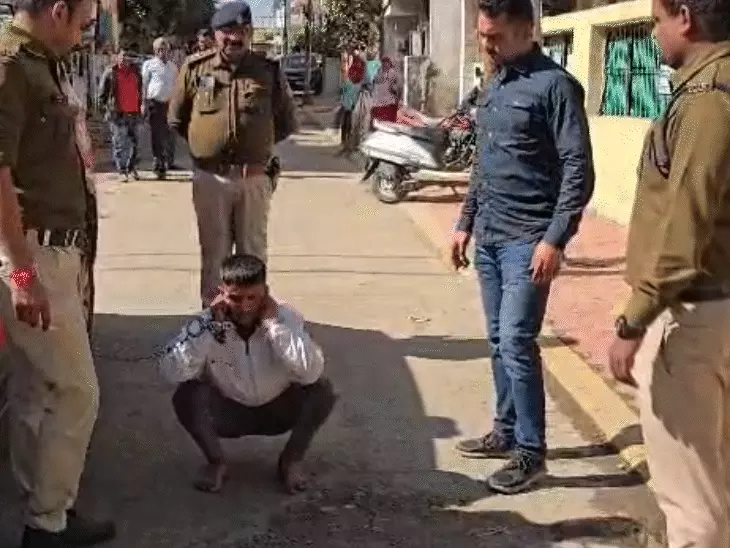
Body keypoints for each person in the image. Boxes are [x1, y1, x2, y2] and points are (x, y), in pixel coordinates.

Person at [451, 0, 594, 494]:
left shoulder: (555, 86)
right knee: (497, 340)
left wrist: (555, 239)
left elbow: (578, 169)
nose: (485, 45)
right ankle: (506, 430)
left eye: (495, 37)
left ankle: (531, 453)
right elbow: (484, 162)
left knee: (516, 341)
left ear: (525, 30)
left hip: (528, 240)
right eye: (482, 35)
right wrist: (464, 222)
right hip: (490, 236)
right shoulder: (495, 83)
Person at [607, 0, 730, 545]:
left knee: (692, 501)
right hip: (713, 308)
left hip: (693, 314)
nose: (654, 33)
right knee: (714, 478)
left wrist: (632, 322)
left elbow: (683, 233)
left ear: (685, 16)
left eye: (657, 20)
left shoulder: (706, 103)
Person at [0, 0, 117, 545]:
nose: (85, 35)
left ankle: (41, 505)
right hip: (33, 256)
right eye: (84, 23)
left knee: (35, 387)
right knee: (78, 392)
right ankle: (46, 523)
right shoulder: (11, 68)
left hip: (51, 253)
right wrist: (24, 277)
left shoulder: (40, 64)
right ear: (57, 10)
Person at [159, 254, 337, 494]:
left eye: (252, 297)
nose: (244, 307)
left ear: (265, 292)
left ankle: (291, 460)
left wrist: (273, 327)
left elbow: (311, 372)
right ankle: (216, 462)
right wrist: (211, 329)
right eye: (235, 298)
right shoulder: (205, 323)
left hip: (279, 410)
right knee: (186, 396)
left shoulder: (286, 317)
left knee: (321, 391)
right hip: (228, 411)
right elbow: (172, 372)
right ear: (222, 293)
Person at [168, 0, 298, 309]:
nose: (234, 38)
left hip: (253, 179)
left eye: (241, 31)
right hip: (210, 180)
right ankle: (215, 317)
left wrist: (256, 150)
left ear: (250, 33)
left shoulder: (267, 70)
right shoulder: (195, 69)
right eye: (227, 31)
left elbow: (285, 123)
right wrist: (207, 146)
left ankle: (251, 314)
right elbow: (177, 120)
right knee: (215, 252)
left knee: (252, 252)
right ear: (215, 34)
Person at [98, 48, 142, 181]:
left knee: (135, 143)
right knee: (120, 143)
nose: (124, 59)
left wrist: (142, 105)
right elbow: (102, 93)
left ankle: (131, 167)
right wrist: (106, 108)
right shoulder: (110, 72)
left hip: (134, 112)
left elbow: (140, 89)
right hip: (117, 113)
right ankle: (122, 170)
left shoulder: (136, 72)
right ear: (117, 57)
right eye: (122, 56)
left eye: (127, 56)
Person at [142, 37, 179, 179]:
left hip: (169, 104)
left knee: (170, 134)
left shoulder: (173, 67)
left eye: (165, 49)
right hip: (155, 103)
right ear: (155, 51)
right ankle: (158, 161)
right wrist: (143, 103)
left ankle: (168, 160)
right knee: (157, 134)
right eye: (160, 50)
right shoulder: (149, 65)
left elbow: (177, 86)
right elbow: (144, 85)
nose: (163, 52)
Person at [336, 55, 364, 156]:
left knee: (351, 126)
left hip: (354, 106)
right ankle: (345, 145)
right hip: (347, 106)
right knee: (345, 125)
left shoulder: (357, 79)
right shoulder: (347, 80)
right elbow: (344, 92)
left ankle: (349, 146)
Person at [371, 56, 402, 123]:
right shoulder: (378, 73)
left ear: (389, 64)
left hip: (389, 102)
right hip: (379, 102)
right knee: (381, 121)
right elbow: (375, 83)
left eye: (387, 63)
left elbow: (398, 86)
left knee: (388, 121)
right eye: (383, 63)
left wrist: (395, 91)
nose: (385, 65)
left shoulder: (393, 73)